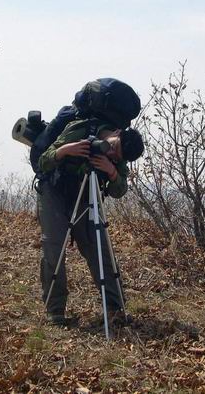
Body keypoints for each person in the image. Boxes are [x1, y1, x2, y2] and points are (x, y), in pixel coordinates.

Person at [37, 117, 144, 326]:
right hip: (54, 191)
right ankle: (55, 311)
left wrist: (111, 171)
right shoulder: (80, 129)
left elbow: (119, 190)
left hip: (85, 195)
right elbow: (43, 162)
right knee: (54, 247)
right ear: (117, 132)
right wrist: (65, 150)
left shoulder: (119, 157)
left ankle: (115, 309)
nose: (111, 153)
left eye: (117, 156)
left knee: (98, 247)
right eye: (113, 147)